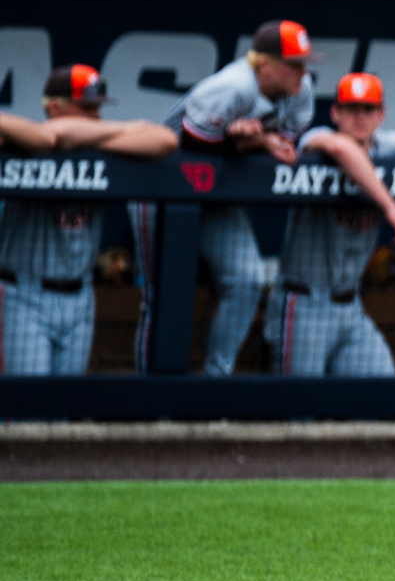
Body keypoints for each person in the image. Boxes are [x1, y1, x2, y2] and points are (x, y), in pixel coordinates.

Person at [136, 20, 317, 375]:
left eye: (304, 63)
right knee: (162, 298)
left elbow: (286, 145)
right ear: (264, 65)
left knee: (248, 279)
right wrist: (253, 140)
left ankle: (214, 380)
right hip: (158, 185)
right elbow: (195, 149)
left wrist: (254, 139)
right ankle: (151, 397)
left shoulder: (302, 89)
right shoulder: (231, 87)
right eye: (293, 63)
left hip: (217, 196)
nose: (303, 72)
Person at [266, 72, 395, 376]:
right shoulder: (316, 138)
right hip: (302, 303)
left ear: (381, 114)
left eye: (368, 109)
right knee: (299, 408)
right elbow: (343, 149)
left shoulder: (385, 144)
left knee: (380, 388)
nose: (359, 116)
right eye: (351, 108)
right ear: (335, 112)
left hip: (351, 306)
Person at [0, 65, 174, 374]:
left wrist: (84, 137)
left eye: (98, 109)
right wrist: (64, 135)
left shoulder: (102, 148)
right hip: (23, 295)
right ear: (54, 107)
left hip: (81, 298)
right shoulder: (23, 143)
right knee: (26, 411)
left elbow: (164, 139)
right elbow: (42, 138)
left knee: (64, 411)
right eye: (86, 108)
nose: (96, 117)